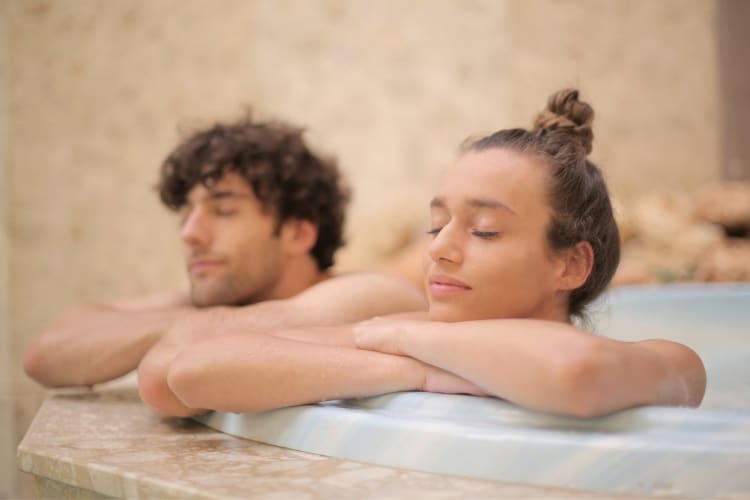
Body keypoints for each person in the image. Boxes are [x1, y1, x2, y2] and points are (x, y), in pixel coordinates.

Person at [153, 89, 707, 418]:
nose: (439, 249)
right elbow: (194, 371)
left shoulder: (667, 360)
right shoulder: (406, 338)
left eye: (484, 230)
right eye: (437, 224)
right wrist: (415, 370)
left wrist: (406, 342)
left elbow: (575, 373)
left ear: (571, 264)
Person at [23, 114, 426, 389]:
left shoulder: (371, 294)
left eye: (224, 210)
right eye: (188, 211)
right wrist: (197, 319)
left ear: (298, 234)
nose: (191, 233)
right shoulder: (226, 301)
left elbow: (192, 348)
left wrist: (193, 323)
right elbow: (44, 355)